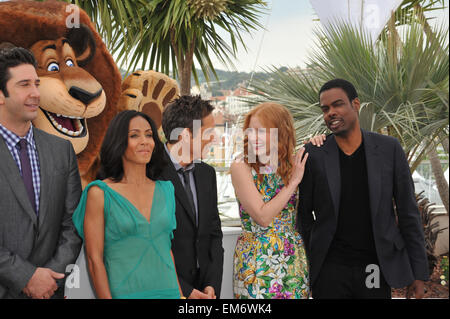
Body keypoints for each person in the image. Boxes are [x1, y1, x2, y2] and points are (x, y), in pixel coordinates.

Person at [298, 78, 429, 299]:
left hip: (375, 266)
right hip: (330, 270)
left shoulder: (389, 149)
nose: (331, 112)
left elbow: (408, 212)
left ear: (355, 104)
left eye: (338, 104)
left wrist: (418, 272)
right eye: (325, 108)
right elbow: (303, 215)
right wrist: (313, 259)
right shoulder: (315, 154)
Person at [72, 110, 182, 299]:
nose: (145, 141)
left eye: (149, 135)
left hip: (168, 291)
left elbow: (166, 250)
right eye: (134, 135)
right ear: (119, 142)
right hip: (124, 293)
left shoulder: (166, 190)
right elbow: (94, 259)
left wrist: (181, 297)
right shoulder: (99, 193)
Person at [0, 46, 82, 299]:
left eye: (36, 83)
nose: (36, 93)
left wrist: (50, 279)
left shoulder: (62, 150)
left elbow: (73, 224)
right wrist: (26, 277)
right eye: (24, 85)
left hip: (51, 290)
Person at [231, 102, 311, 299]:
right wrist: (292, 184)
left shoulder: (294, 164)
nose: (253, 137)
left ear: (280, 132)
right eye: (250, 131)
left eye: (261, 131)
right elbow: (262, 217)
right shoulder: (241, 166)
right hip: (256, 260)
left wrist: (318, 140)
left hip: (292, 258)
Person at [160, 95, 224, 299]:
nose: (214, 138)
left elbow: (214, 233)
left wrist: (212, 284)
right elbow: (151, 245)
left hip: (206, 292)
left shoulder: (207, 174)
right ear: (186, 135)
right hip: (168, 289)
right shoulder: (149, 174)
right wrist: (185, 291)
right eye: (209, 132)